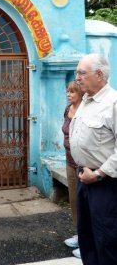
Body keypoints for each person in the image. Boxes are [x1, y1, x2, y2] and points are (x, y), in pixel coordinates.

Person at [70, 53, 117, 265]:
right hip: (84, 178)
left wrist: (98, 174)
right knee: (87, 238)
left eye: (82, 73)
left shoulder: (113, 103)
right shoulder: (87, 101)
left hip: (105, 183)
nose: (77, 77)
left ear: (99, 74)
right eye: (77, 72)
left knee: (106, 240)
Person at [62, 81, 84, 259]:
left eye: (73, 91)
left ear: (81, 93)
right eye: (68, 91)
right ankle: (79, 234)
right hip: (70, 161)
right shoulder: (68, 109)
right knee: (74, 200)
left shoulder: (86, 110)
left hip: (84, 163)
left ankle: (87, 242)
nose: (69, 94)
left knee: (86, 201)